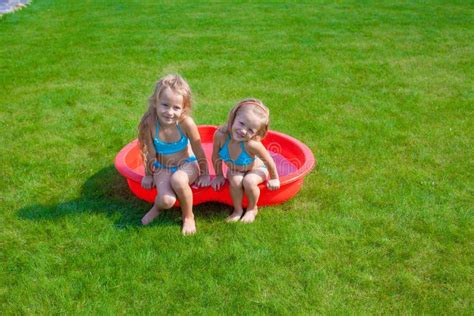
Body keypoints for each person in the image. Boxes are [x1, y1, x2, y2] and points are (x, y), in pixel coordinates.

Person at [138, 74, 210, 235]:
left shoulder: (185, 123)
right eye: (165, 105)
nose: (170, 112)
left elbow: (198, 149)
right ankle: (157, 207)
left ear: (184, 108)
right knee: (166, 200)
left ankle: (188, 216)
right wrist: (148, 175)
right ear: (155, 103)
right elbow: (151, 152)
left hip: (187, 164)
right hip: (162, 167)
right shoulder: (150, 123)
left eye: (176, 107)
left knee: (178, 180)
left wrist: (205, 173)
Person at [211, 98, 280, 223]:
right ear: (234, 118)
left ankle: (252, 208)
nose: (243, 131)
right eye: (241, 123)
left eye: (250, 130)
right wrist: (219, 175)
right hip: (235, 169)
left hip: (257, 169)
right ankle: (237, 210)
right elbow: (215, 156)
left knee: (249, 181)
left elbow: (268, 160)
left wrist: (274, 178)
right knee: (236, 181)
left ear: (256, 133)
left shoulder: (252, 145)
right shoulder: (221, 135)